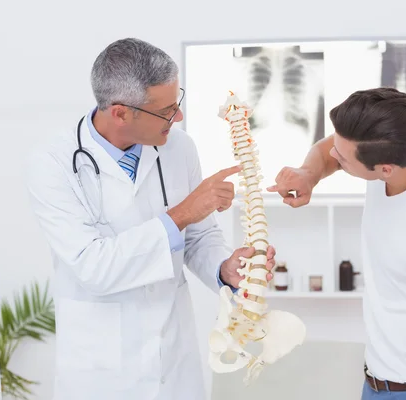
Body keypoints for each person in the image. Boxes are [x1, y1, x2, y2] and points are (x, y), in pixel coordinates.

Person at [25, 38, 275, 400]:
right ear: (121, 113)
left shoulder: (180, 147)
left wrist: (223, 268)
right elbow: (93, 266)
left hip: (173, 363)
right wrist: (184, 211)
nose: (179, 117)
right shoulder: (52, 165)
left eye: (178, 103)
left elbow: (198, 237)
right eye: (167, 110)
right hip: (102, 372)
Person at [267, 87, 406, 400]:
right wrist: (307, 174)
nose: (333, 157)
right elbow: (332, 147)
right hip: (376, 382)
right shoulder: (401, 152)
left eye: (342, 160)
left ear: (385, 168)